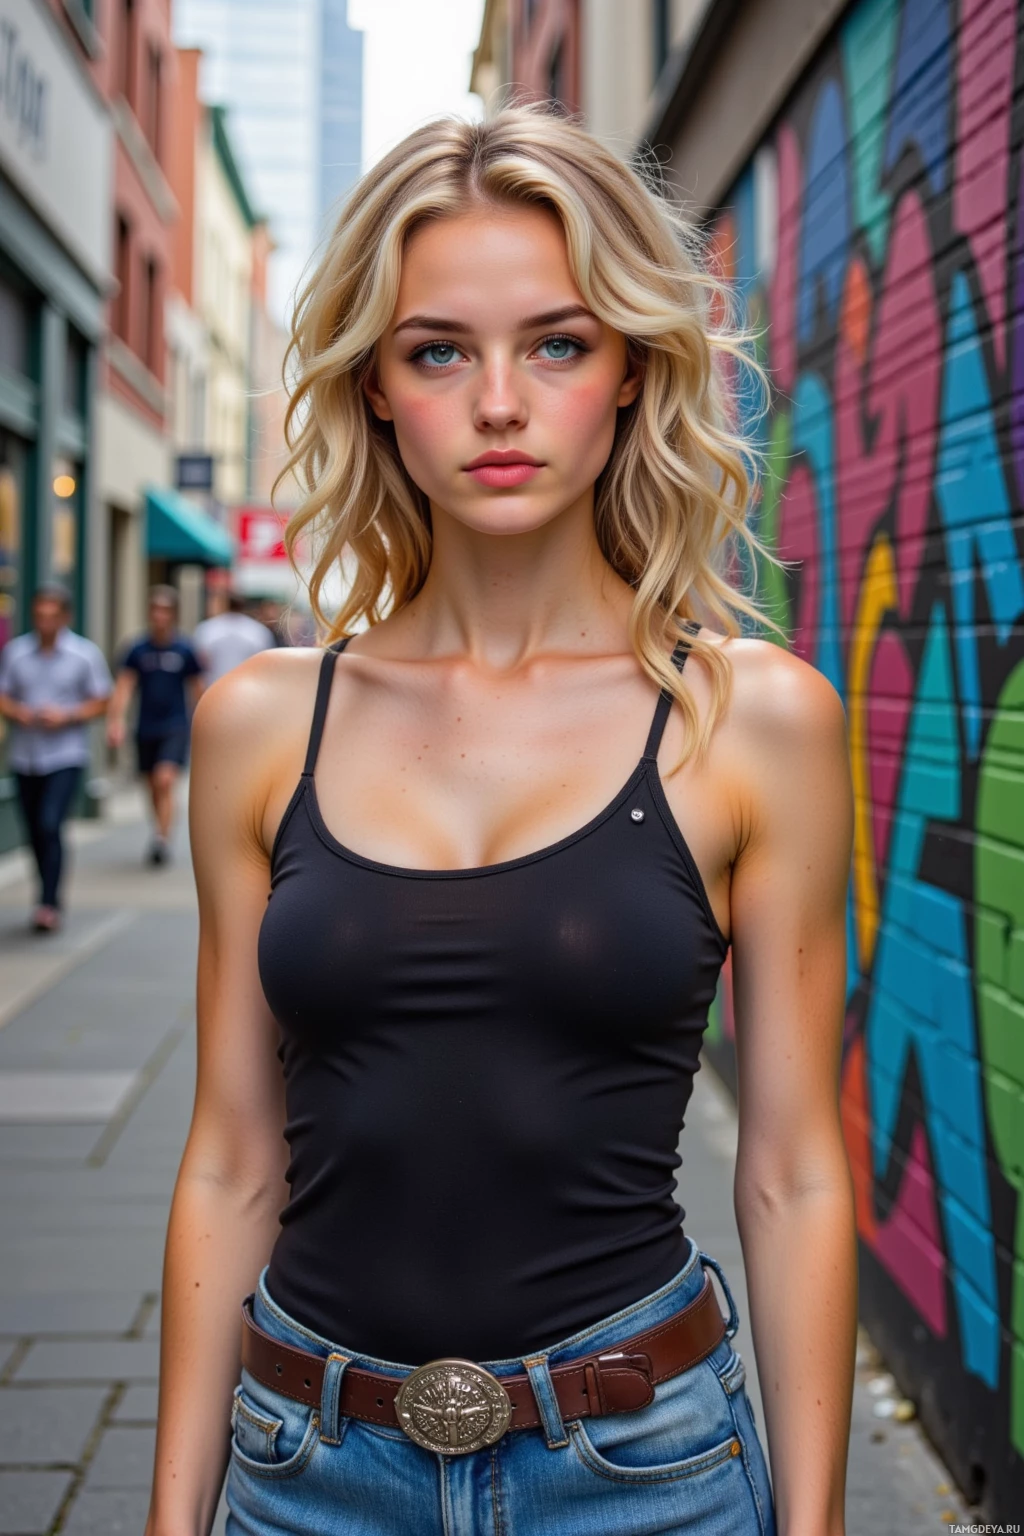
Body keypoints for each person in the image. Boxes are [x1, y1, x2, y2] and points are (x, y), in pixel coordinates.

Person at [146, 107, 857, 1536]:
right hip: (308, 1470)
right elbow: (229, 1153)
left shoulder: (752, 721)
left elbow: (792, 1170)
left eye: (556, 343)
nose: (497, 403)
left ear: (632, 370)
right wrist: (173, 1517)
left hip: (644, 1471)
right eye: (437, 351)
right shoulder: (261, 725)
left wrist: (816, 1524)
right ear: (373, 386)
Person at [0, 584, 111, 931]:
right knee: (35, 830)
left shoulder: (84, 654)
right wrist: (17, 712)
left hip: (65, 755)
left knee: (50, 823)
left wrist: (67, 716)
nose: (45, 622)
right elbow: (3, 695)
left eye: (51, 616)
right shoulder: (16, 652)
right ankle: (44, 893)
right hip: (25, 756)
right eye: (39, 615)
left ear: (65, 617)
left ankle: (49, 902)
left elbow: (101, 700)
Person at [107, 586, 203, 866]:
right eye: (155, 610)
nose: (160, 616)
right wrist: (116, 721)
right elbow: (124, 687)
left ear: (173, 615)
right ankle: (158, 828)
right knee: (151, 785)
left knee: (165, 779)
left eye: (165, 611)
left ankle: (162, 839)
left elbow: (198, 689)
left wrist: (204, 724)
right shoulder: (138, 649)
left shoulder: (184, 649)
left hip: (175, 726)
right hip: (146, 727)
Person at [192, 592, 275, 686]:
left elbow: (200, 660)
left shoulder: (207, 628)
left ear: (224, 604)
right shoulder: (258, 630)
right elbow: (265, 662)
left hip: (215, 685)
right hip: (247, 686)